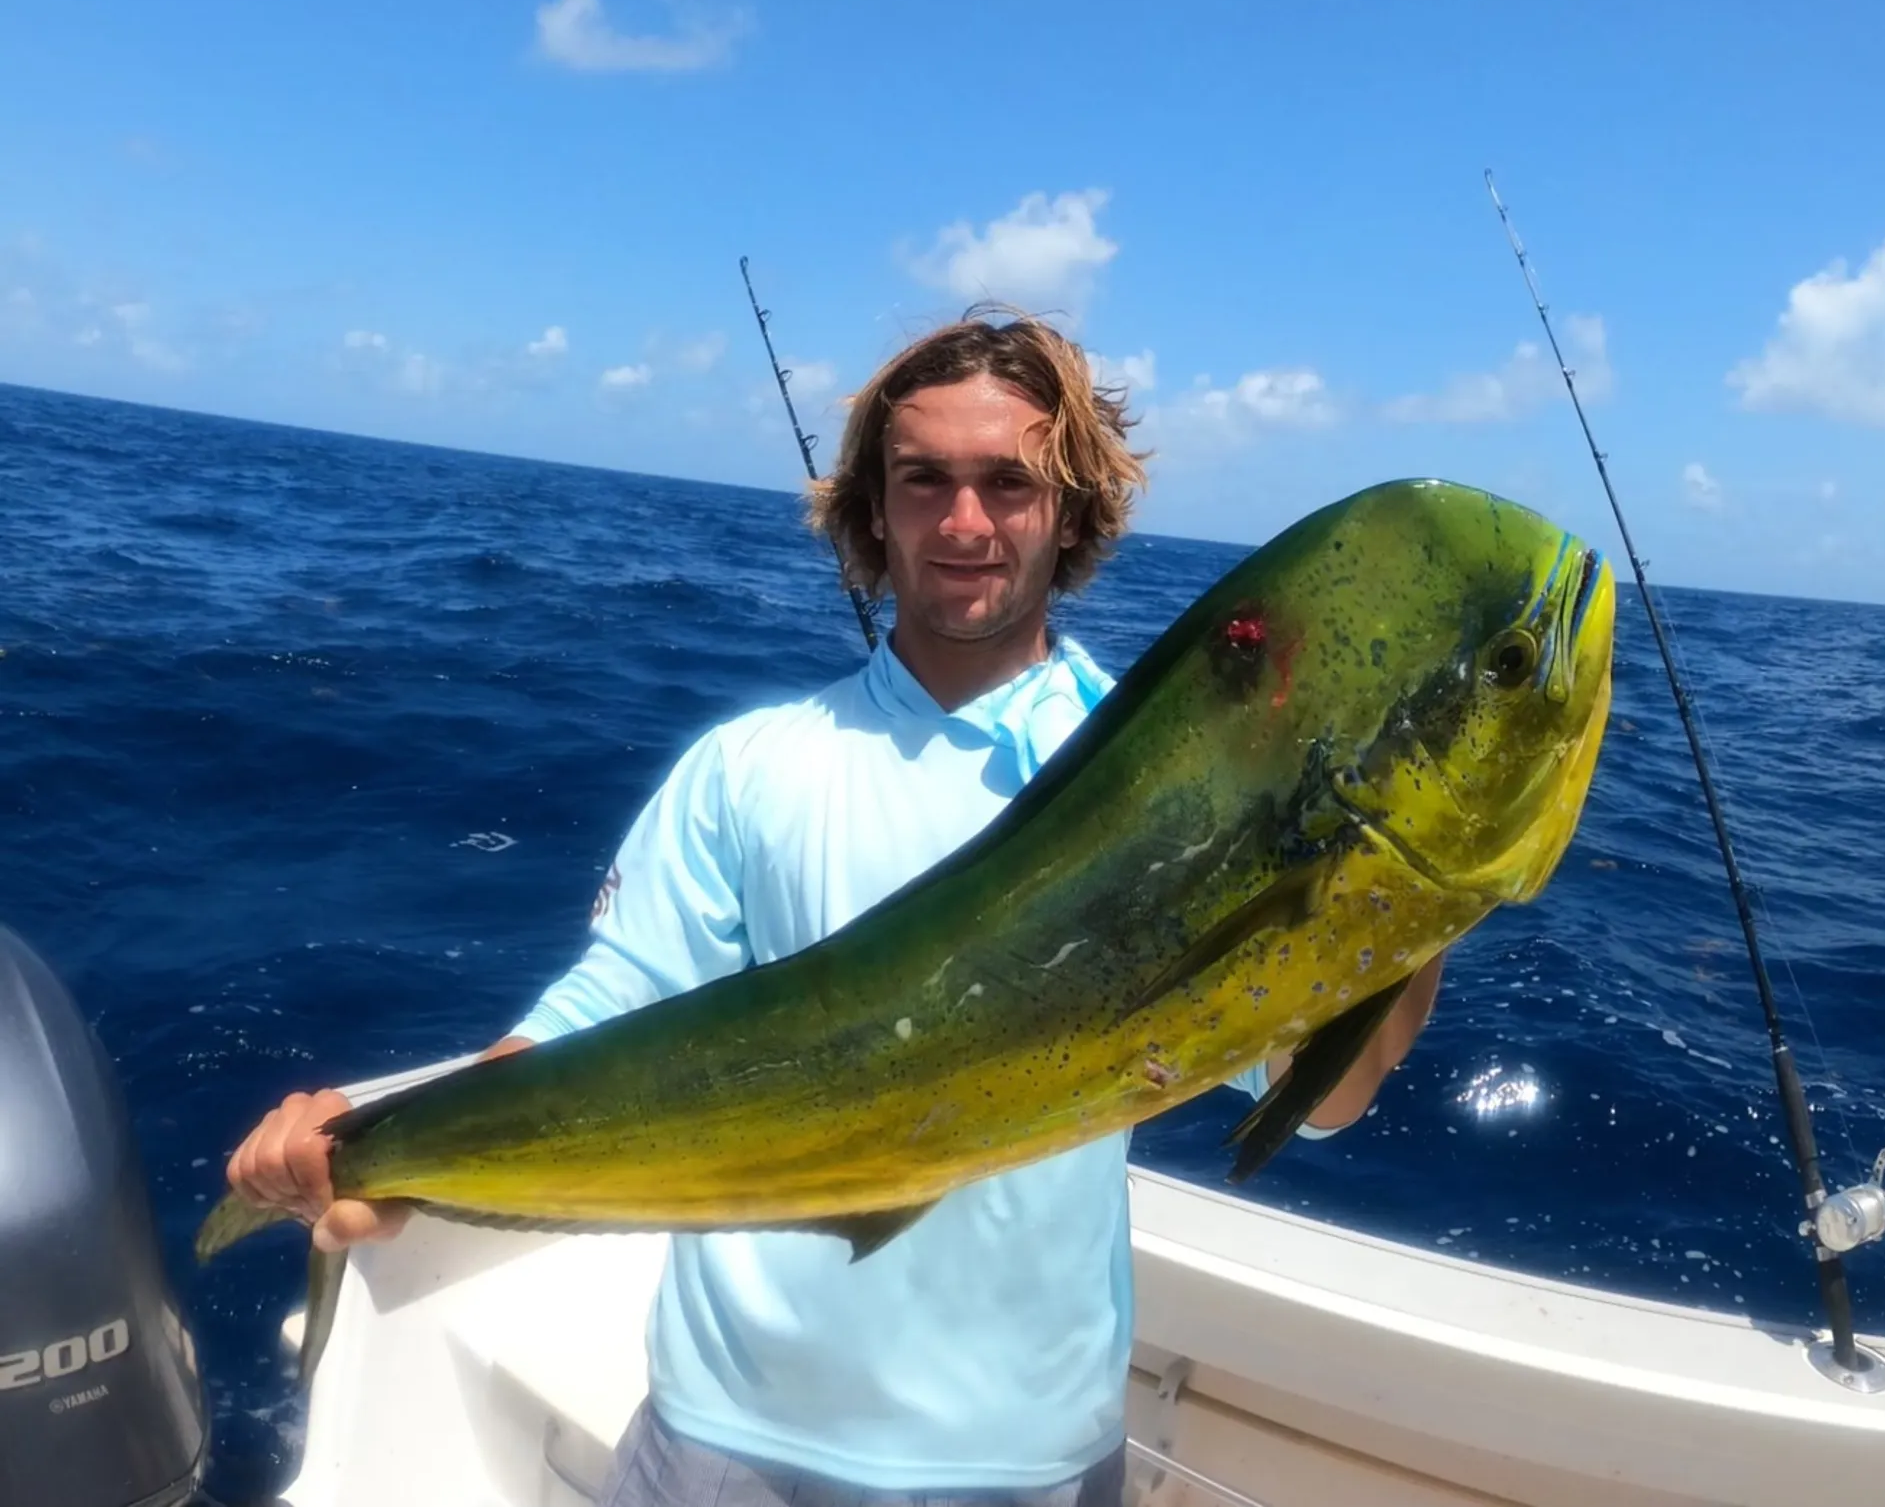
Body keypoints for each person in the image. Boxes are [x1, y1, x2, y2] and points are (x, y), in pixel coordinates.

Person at [227, 312, 1444, 1507]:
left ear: (1071, 510)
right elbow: (602, 1018)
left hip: (1027, 1456)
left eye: (1009, 483)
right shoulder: (749, 764)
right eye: (925, 480)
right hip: (724, 1438)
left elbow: (1322, 1095)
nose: (965, 521)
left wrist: (1417, 901)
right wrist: (387, 1145)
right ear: (873, 509)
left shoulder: (1174, 793)